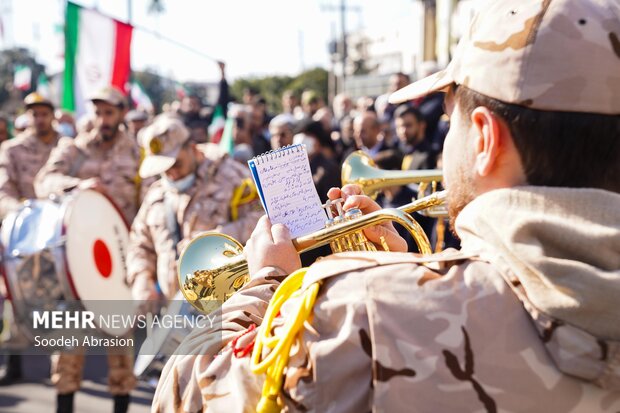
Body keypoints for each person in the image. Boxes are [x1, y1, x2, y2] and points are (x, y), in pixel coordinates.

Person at [153, 0, 620, 411]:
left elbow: (183, 398)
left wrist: (265, 285)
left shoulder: (358, 314)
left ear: (484, 138)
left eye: (447, 117)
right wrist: (413, 269)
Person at [34, 86, 139, 413]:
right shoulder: (75, 149)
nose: (103, 119)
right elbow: (44, 181)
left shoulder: (137, 152)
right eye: (98, 112)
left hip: (120, 259)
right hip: (78, 262)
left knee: (120, 350)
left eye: (109, 112)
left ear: (121, 114)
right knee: (68, 350)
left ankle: (121, 405)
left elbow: (148, 199)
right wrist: (77, 185)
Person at [127, 116, 262, 302]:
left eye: (177, 164)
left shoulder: (233, 177)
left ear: (191, 148)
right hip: (175, 313)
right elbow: (140, 242)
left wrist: (216, 240)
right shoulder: (156, 193)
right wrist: (142, 277)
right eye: (164, 169)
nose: (171, 174)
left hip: (229, 308)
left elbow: (264, 221)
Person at [0, 93, 61, 386]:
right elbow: (3, 190)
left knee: (62, 303)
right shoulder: (12, 150)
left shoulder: (67, 147)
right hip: (23, 236)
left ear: (52, 115)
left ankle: (60, 369)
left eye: (44, 113)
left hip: (61, 237)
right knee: (17, 301)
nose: (39, 119)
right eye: (34, 114)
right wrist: (26, 214)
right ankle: (14, 363)